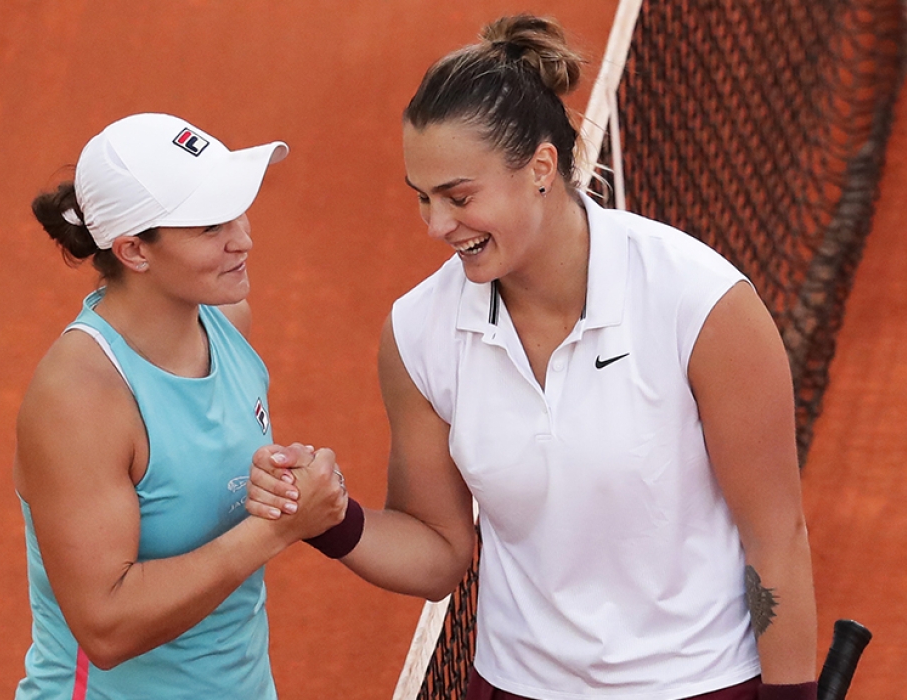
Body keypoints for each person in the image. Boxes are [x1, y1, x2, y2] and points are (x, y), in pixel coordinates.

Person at [247, 15, 819, 700]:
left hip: (698, 685)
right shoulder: (419, 332)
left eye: (460, 196)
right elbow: (438, 553)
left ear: (541, 169)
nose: (437, 225)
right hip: (517, 686)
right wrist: (331, 518)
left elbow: (775, 537)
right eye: (422, 198)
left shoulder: (700, 303)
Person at [13, 113, 347, 700]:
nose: (243, 239)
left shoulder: (227, 323)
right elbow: (106, 627)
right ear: (134, 250)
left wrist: (275, 483)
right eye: (211, 226)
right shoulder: (80, 398)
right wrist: (275, 530)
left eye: (236, 213)